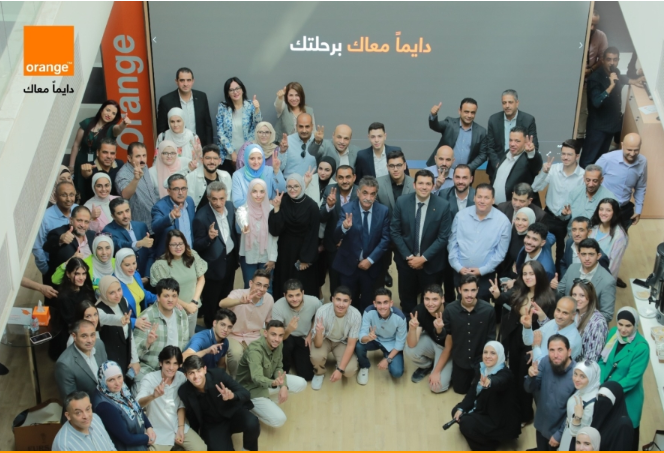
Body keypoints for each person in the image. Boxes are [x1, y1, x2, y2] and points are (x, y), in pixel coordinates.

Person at [495, 260, 555, 425]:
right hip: (515, 336)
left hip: (532, 343)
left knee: (525, 377)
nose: (528, 277)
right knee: (514, 373)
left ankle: (526, 414)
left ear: (539, 275)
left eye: (531, 274)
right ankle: (514, 409)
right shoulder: (519, 291)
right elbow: (504, 302)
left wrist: (538, 349)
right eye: (525, 274)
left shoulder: (550, 298)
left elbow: (551, 327)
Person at [391, 169, 451, 314]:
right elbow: (395, 231)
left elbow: (443, 237)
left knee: (431, 303)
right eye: (421, 183)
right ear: (414, 185)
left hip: (431, 264)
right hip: (406, 263)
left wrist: (423, 258)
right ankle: (409, 324)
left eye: (428, 184)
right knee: (407, 301)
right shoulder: (402, 202)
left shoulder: (443, 206)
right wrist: (409, 257)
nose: (424, 187)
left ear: (433, 186)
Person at [178, 355, 260, 451]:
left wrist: (232, 396)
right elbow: (192, 417)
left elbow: (245, 393)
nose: (196, 376)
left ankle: (247, 449)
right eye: (191, 373)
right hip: (213, 425)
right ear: (186, 375)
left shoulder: (218, 375)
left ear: (205, 369)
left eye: (198, 371)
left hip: (233, 414)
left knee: (252, 422)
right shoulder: (183, 391)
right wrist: (198, 437)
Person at [333, 176, 390, 310]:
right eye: (365, 193)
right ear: (358, 192)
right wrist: (344, 227)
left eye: (372, 194)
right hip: (348, 266)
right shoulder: (347, 209)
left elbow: (386, 239)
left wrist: (370, 260)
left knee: (368, 305)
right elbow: (335, 236)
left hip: (372, 268)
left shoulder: (383, 211)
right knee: (347, 305)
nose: (368, 198)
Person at [235, 320, 307, 428]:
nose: (277, 339)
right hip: (251, 389)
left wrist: (283, 386)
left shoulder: (278, 344)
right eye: (273, 334)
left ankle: (265, 403)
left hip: (268, 381)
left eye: (280, 335)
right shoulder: (255, 351)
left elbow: (278, 367)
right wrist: (274, 383)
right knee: (279, 420)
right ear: (265, 333)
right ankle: (249, 406)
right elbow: (256, 377)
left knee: (301, 383)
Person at [451, 341, 520, 451]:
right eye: (485, 352)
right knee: (456, 412)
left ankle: (488, 446)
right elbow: (472, 392)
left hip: (498, 420)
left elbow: (500, 381)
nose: (488, 356)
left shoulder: (505, 374)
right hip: (483, 408)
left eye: (493, 353)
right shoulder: (482, 369)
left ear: (500, 355)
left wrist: (490, 382)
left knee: (465, 424)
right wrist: (461, 408)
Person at [448, 183, 511, 302]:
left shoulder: (503, 222)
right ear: (474, 197)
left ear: (493, 200)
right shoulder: (461, 216)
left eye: (486, 198)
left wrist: (482, 270)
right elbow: (452, 243)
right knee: (461, 304)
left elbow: (500, 253)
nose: (482, 201)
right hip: (460, 272)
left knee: (482, 306)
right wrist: (457, 266)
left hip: (484, 276)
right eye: (479, 197)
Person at [136, 346, 207, 451]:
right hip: (158, 430)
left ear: (179, 365)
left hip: (178, 426)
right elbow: (137, 404)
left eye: (175, 363)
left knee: (201, 449)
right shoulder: (149, 379)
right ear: (161, 363)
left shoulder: (181, 377)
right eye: (168, 363)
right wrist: (153, 396)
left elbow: (181, 405)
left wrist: (180, 428)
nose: (171, 367)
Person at [599, 307, 649, 450]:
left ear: (635, 325)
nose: (623, 329)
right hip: (605, 391)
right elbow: (602, 361)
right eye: (620, 324)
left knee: (625, 440)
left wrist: (608, 391)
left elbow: (631, 379)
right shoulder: (614, 333)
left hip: (627, 399)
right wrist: (601, 383)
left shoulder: (641, 347)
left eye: (628, 326)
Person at [531, 139, 585, 270]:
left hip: (568, 220)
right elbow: (535, 187)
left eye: (569, 154)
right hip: (549, 215)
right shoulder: (553, 169)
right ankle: (543, 273)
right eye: (563, 153)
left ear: (577, 156)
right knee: (542, 246)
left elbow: (582, 201)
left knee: (563, 253)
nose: (565, 157)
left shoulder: (583, 176)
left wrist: (569, 213)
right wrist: (543, 172)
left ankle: (560, 277)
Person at [192, 181, 239, 328]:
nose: (218, 203)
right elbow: (197, 245)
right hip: (213, 266)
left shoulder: (230, 207)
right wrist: (209, 238)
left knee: (227, 296)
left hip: (230, 260)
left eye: (221, 198)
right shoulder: (201, 217)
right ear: (208, 198)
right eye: (214, 199)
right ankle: (211, 329)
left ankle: (224, 326)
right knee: (212, 301)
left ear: (226, 196)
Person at [443, 275, 496, 394]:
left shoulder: (488, 310)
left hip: (481, 360)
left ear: (478, 290)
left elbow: (491, 338)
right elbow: (444, 336)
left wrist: (488, 362)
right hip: (460, 360)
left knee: (483, 391)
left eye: (473, 290)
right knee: (460, 390)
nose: (469, 295)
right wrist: (438, 330)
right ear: (459, 290)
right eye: (466, 290)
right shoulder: (450, 310)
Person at [269, 173, 320, 296]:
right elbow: (275, 230)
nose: (292, 189)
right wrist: (276, 209)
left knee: (301, 285)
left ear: (302, 186)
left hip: (303, 251)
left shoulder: (312, 206)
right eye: (289, 187)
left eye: (296, 186)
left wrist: (305, 259)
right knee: (283, 283)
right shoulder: (282, 202)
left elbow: (313, 234)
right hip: (284, 252)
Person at [150, 230, 206, 339]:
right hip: (173, 311)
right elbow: (165, 292)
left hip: (193, 307)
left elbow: (201, 279)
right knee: (175, 340)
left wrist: (194, 302)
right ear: (168, 246)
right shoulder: (161, 265)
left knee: (190, 337)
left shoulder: (192, 255)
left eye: (181, 243)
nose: (178, 247)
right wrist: (187, 306)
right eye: (174, 244)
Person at [581, 47, 633, 167]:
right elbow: (596, 102)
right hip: (598, 128)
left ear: (618, 60)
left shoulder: (615, 72)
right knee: (588, 159)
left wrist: (633, 81)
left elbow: (621, 78)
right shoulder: (595, 78)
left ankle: (597, 178)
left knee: (602, 158)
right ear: (603, 60)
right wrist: (610, 87)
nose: (612, 63)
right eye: (609, 59)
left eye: (615, 59)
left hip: (610, 125)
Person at [524, 334, 577, 451]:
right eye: (552, 350)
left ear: (569, 352)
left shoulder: (577, 374)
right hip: (541, 426)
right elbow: (529, 389)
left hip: (560, 433)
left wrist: (559, 434)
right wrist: (531, 376)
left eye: (560, 350)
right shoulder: (545, 362)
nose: (555, 355)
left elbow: (575, 412)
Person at [219, 269, 274, 377]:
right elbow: (222, 303)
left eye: (265, 286)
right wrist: (239, 301)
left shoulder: (269, 299)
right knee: (236, 355)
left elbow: (269, 322)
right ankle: (235, 379)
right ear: (250, 283)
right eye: (258, 284)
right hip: (234, 335)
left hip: (254, 336)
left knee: (259, 357)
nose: (261, 289)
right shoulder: (238, 293)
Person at [68, 100, 130, 196]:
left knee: (94, 190)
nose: (109, 114)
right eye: (108, 110)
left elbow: (118, 129)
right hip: (81, 161)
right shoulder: (87, 123)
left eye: (113, 113)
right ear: (101, 110)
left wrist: (124, 124)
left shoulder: (112, 129)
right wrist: (71, 166)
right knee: (79, 190)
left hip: (98, 165)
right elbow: (76, 145)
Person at [133, 278, 190, 381]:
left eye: (174, 296)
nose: (170, 300)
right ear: (158, 297)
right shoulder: (147, 317)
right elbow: (134, 353)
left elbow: (185, 342)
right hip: (149, 369)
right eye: (166, 296)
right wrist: (147, 343)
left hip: (174, 369)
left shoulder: (181, 314)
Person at [92, 361, 156, 450]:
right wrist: (147, 438)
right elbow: (127, 439)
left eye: (119, 377)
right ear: (103, 381)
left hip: (139, 444)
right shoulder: (104, 406)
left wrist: (148, 426)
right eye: (111, 380)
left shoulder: (121, 389)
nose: (118, 383)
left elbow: (135, 406)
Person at [309, 286, 361, 390]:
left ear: (350, 302)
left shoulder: (356, 315)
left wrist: (340, 370)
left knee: (349, 371)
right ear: (332, 299)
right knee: (316, 357)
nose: (341, 304)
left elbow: (351, 344)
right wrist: (319, 333)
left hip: (342, 342)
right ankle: (319, 373)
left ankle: (340, 364)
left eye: (345, 301)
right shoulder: (322, 311)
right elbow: (318, 344)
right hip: (325, 339)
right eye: (338, 300)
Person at [404, 285, 452, 392]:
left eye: (435, 299)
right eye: (427, 299)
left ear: (442, 299)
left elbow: (448, 348)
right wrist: (412, 329)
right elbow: (411, 344)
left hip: (449, 350)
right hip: (432, 342)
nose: (430, 303)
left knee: (437, 388)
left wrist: (436, 372)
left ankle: (447, 368)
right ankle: (427, 366)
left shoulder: (451, 312)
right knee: (409, 350)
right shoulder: (420, 310)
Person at [556, 238, 616, 323]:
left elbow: (607, 314)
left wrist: (581, 321)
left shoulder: (608, 281)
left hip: (588, 325)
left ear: (598, 256)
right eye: (583, 254)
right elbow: (560, 291)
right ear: (578, 255)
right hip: (566, 319)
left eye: (591, 254)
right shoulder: (572, 268)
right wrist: (555, 287)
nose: (587, 258)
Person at [596, 133, 647, 232]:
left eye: (636, 150)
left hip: (624, 210)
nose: (632, 154)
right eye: (629, 150)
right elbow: (591, 179)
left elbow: (641, 187)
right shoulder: (607, 159)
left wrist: (638, 209)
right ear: (622, 145)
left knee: (620, 238)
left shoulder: (643, 161)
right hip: (604, 208)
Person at [271, 279, 321, 381]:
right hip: (286, 338)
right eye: (290, 296)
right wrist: (289, 329)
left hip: (303, 337)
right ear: (284, 295)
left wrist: (311, 334)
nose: (295, 299)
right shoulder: (277, 306)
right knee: (286, 347)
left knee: (307, 376)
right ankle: (286, 366)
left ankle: (294, 357)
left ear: (303, 293)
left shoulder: (314, 302)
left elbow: (319, 317)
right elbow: (277, 337)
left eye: (298, 295)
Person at [483, 89, 539, 180]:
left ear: (517, 103)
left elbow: (533, 145)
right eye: (504, 103)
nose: (507, 106)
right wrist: (498, 164)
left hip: (521, 170)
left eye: (510, 102)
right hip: (497, 168)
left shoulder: (528, 120)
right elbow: (490, 147)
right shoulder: (493, 120)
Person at [320, 165, 358, 296]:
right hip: (333, 247)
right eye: (341, 177)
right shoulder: (330, 190)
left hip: (354, 248)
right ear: (336, 178)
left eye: (348, 177)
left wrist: (346, 241)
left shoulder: (360, 192)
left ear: (354, 177)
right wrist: (329, 206)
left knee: (353, 287)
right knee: (335, 287)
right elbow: (321, 217)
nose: (344, 181)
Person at [355, 288, 407, 383]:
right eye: (379, 303)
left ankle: (388, 355)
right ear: (374, 304)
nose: (382, 306)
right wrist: (368, 338)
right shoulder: (368, 311)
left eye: (385, 302)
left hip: (391, 343)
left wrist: (387, 359)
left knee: (397, 373)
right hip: (374, 339)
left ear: (391, 303)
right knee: (358, 345)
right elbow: (362, 333)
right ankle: (364, 366)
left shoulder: (400, 317)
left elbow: (400, 343)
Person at [439, 164, 476, 298]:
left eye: (464, 178)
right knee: (448, 282)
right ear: (453, 178)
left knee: (468, 285)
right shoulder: (443, 194)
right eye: (457, 177)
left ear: (471, 179)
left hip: (471, 247)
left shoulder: (478, 197)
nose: (460, 181)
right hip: (448, 246)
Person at [235, 178, 278, 290]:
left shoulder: (272, 210)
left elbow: (275, 237)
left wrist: (273, 258)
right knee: (249, 287)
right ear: (250, 192)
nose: (258, 195)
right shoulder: (243, 209)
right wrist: (245, 225)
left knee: (267, 288)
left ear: (266, 193)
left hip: (267, 257)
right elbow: (241, 218)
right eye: (254, 191)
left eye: (262, 191)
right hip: (248, 255)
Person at [95, 276, 140, 381]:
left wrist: (135, 359)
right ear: (103, 293)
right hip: (110, 359)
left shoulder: (123, 301)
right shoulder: (98, 311)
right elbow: (107, 318)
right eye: (112, 293)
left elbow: (129, 334)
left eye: (119, 290)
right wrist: (120, 320)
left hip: (126, 354)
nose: (117, 295)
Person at [425, 98, 488, 171]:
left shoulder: (481, 132)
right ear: (459, 111)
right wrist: (433, 115)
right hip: (440, 170)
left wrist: (468, 168)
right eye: (466, 112)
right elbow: (435, 126)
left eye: (472, 112)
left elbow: (483, 155)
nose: (469, 115)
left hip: (463, 174)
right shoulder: (450, 123)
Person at [34, 181, 78, 282]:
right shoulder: (44, 217)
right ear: (55, 196)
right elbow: (37, 246)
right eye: (64, 195)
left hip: (77, 268)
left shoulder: (77, 209)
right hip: (54, 268)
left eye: (71, 195)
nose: (68, 199)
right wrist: (46, 270)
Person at [55, 320, 108, 402]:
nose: (90, 340)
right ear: (74, 336)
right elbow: (71, 401)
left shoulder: (99, 344)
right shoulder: (64, 364)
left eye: (92, 335)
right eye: (84, 336)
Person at [157, 67, 213, 146]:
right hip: (175, 147)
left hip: (198, 146)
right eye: (182, 80)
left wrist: (209, 148)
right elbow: (161, 130)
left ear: (193, 81)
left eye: (188, 80)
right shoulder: (166, 101)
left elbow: (208, 126)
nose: (185, 84)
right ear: (176, 81)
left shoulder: (202, 97)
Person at [52, 258, 96, 357]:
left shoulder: (86, 288)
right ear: (68, 274)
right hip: (72, 335)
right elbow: (72, 322)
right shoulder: (64, 297)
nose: (81, 277)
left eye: (84, 273)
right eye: (77, 274)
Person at [216, 77, 262, 169]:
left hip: (247, 153)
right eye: (231, 90)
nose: (235, 92)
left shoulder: (250, 105)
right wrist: (232, 153)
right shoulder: (222, 107)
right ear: (228, 93)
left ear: (242, 89)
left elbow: (258, 125)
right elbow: (220, 132)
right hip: (227, 155)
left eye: (237, 88)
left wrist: (257, 109)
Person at [490, 126, 543, 205]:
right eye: (510, 140)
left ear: (525, 142)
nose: (512, 144)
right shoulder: (506, 153)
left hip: (516, 208)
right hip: (496, 207)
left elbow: (536, 165)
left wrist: (531, 152)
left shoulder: (528, 158)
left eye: (517, 141)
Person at [577, 10, 608, 145]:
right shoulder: (575, 32)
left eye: (595, 25)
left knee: (584, 110)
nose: (592, 27)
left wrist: (590, 70)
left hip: (589, 78)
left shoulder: (601, 36)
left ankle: (580, 137)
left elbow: (603, 58)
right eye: (590, 24)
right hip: (572, 79)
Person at [115, 142, 161, 230]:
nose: (142, 159)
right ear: (129, 158)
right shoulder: (122, 174)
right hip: (140, 224)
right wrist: (136, 179)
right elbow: (125, 195)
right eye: (138, 156)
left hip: (155, 219)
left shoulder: (144, 166)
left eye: (144, 155)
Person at [103, 198, 154, 277]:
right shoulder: (107, 231)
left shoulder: (141, 226)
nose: (125, 216)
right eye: (120, 213)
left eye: (127, 211)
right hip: (125, 278)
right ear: (113, 216)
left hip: (146, 276)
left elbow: (150, 254)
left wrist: (147, 276)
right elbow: (119, 244)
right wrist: (139, 243)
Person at [523, 296, 583, 362]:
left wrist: (536, 347)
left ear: (573, 315)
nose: (559, 316)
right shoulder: (553, 323)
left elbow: (547, 366)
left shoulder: (572, 341)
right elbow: (528, 341)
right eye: (558, 310)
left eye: (565, 313)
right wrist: (527, 327)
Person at [52, 391, 116, 451]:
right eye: (78, 413)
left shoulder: (95, 418)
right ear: (68, 415)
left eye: (88, 409)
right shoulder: (64, 445)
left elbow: (110, 447)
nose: (86, 416)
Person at [44, 206, 95, 281]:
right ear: (71, 220)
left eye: (86, 222)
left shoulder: (92, 235)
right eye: (79, 220)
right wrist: (60, 239)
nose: (83, 225)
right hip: (64, 283)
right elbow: (46, 247)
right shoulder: (59, 233)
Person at [559, 361, 601, 451]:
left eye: (582, 376)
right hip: (568, 433)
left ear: (591, 378)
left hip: (576, 442)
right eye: (575, 374)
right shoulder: (583, 390)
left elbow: (581, 434)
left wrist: (577, 418)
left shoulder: (592, 403)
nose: (577, 379)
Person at [151, 174, 196, 258]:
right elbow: (155, 226)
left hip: (190, 253)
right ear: (168, 191)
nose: (180, 193)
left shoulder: (190, 201)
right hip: (170, 257)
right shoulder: (159, 207)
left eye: (183, 188)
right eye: (176, 189)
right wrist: (170, 217)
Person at [565, 165, 616, 233]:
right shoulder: (575, 192)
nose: (590, 184)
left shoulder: (610, 198)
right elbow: (565, 215)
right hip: (573, 235)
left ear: (601, 180)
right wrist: (564, 214)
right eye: (588, 180)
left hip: (596, 237)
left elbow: (613, 224)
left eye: (595, 181)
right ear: (584, 178)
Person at [231, 144, 286, 208]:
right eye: (252, 158)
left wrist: (276, 171)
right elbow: (237, 203)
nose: (256, 162)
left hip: (269, 211)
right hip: (248, 212)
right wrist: (266, 203)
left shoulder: (269, 170)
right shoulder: (238, 175)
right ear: (246, 158)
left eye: (259, 158)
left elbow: (282, 190)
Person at [114, 248, 157, 329]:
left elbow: (142, 293)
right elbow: (113, 314)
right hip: (127, 327)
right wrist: (134, 322)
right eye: (127, 265)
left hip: (142, 320)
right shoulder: (113, 284)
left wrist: (159, 298)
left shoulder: (135, 275)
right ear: (119, 265)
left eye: (134, 263)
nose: (132, 268)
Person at [588, 198, 628, 281]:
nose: (603, 213)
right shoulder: (593, 227)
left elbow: (614, 265)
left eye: (608, 210)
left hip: (602, 278)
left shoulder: (619, 236)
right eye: (601, 209)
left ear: (615, 213)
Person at [186, 144, 233, 210]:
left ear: (219, 161)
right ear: (202, 160)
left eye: (215, 158)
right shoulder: (192, 177)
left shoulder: (226, 176)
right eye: (208, 158)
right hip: (199, 215)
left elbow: (227, 201)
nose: (212, 162)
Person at [570, 280, 608, 362]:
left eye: (582, 295)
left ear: (590, 297)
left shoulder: (598, 322)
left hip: (579, 367)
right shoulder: (572, 313)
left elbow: (592, 359)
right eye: (574, 294)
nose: (577, 299)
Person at [590, 381, 634, 451]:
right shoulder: (599, 417)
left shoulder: (623, 425)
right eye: (600, 396)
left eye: (606, 397)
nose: (602, 400)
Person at [497, 207, 536, 283]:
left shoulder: (531, 241)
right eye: (517, 219)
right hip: (506, 276)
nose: (519, 223)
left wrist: (515, 282)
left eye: (524, 220)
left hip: (522, 281)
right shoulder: (513, 232)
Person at [79, 138, 124, 202]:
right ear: (97, 152)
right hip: (94, 206)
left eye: (112, 153)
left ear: (115, 155)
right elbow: (86, 174)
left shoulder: (120, 164)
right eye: (105, 152)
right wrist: (85, 173)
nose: (109, 156)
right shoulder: (89, 167)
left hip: (115, 205)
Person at [282, 113, 318, 178]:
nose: (304, 130)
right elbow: (280, 168)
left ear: (312, 126)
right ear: (296, 126)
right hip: (289, 182)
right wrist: (282, 152)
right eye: (301, 126)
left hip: (311, 182)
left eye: (307, 126)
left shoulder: (318, 142)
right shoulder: (287, 141)